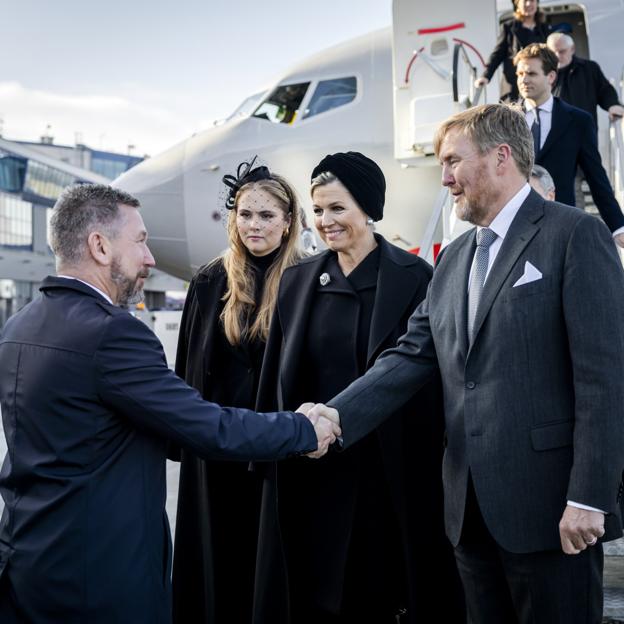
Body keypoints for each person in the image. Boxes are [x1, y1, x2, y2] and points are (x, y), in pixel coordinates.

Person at [311, 104, 624, 624]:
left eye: (453, 161)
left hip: (553, 512)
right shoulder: (453, 259)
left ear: (502, 157)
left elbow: (604, 380)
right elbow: (412, 354)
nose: (445, 178)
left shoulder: (574, 235)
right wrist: (332, 416)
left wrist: (590, 497)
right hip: (468, 515)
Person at [0, 184, 339, 624]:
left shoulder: (19, 326)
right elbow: (205, 425)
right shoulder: (113, 334)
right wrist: (302, 429)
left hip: (27, 565)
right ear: (100, 246)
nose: (150, 258)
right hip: (99, 579)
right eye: (140, 241)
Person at [253, 152, 465, 624]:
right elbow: (277, 381)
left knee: (383, 592)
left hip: (391, 475)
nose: (325, 222)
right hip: (314, 472)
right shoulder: (296, 281)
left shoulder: (416, 280)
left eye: (337, 209)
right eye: (319, 210)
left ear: (368, 208)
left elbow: (431, 377)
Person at [171, 160, 305, 624]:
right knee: (219, 568)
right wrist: (181, 438)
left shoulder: (305, 280)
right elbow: (187, 366)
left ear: (289, 222)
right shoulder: (210, 281)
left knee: (271, 569)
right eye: (245, 214)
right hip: (217, 454)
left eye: (267, 215)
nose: (254, 225)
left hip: (278, 452)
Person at [514, 43, 624, 245]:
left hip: (561, 225)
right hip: (515, 226)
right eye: (520, 73)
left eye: (531, 73)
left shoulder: (577, 121)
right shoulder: (506, 120)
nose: (524, 80)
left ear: (551, 77)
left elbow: (595, 175)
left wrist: (618, 225)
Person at [475, 0, 551, 101]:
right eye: (525, 1)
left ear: (537, 3)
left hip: (537, 84)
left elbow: (550, 56)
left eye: (532, 0)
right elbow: (498, 54)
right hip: (513, 85)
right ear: (517, 5)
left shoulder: (544, 28)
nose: (529, 4)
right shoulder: (508, 28)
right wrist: (486, 76)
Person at [547, 32, 624, 128]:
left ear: (572, 49)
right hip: (555, 132)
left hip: (585, 131)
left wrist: (613, 105)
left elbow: (605, 91)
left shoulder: (589, 68)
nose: (557, 56)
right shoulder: (543, 72)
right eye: (553, 52)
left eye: (562, 51)